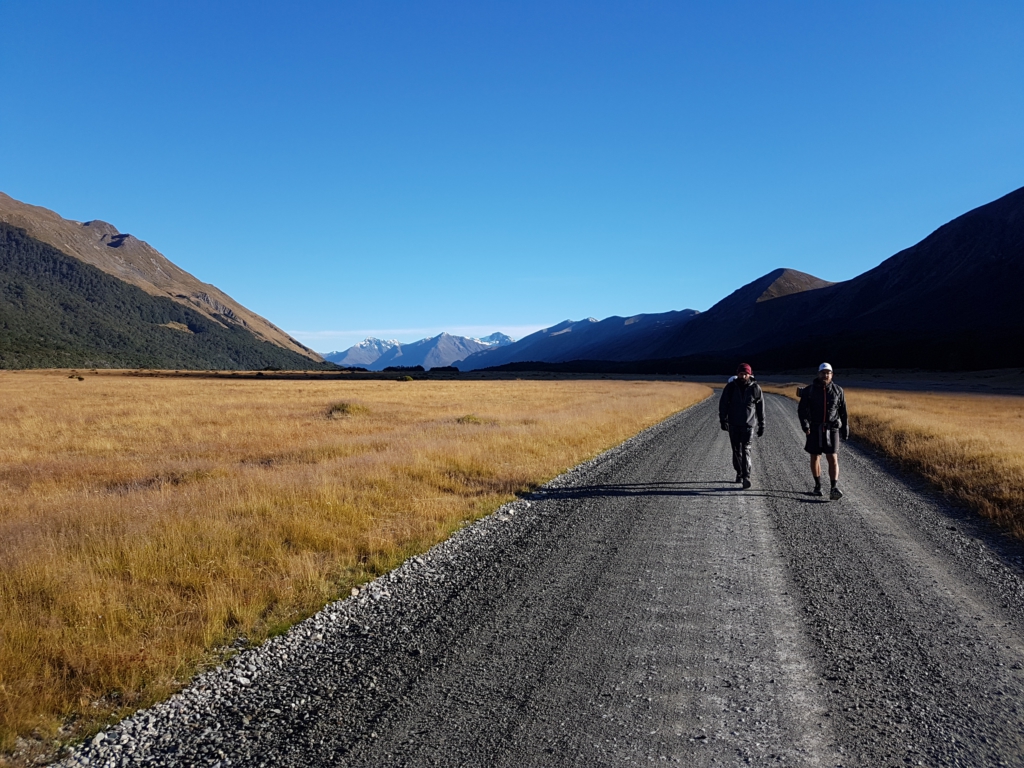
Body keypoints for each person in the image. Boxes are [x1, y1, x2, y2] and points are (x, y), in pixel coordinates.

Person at [797, 362, 849, 500]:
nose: (826, 375)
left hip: (832, 429)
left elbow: (843, 411)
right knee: (815, 457)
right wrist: (805, 425)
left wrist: (845, 428)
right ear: (818, 374)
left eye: (828, 373)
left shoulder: (838, 391)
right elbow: (802, 410)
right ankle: (817, 486)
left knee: (832, 457)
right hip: (814, 428)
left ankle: (834, 488)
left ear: (832, 374)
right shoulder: (809, 391)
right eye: (823, 372)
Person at [719, 363, 765, 489]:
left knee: (746, 449)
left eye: (745, 374)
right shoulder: (730, 387)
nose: (743, 376)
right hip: (733, 424)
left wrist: (762, 424)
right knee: (736, 450)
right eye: (741, 373)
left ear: (750, 374)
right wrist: (723, 420)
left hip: (749, 425)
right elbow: (723, 404)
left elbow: (760, 408)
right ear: (737, 374)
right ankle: (739, 472)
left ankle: (746, 476)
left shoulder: (755, 388)